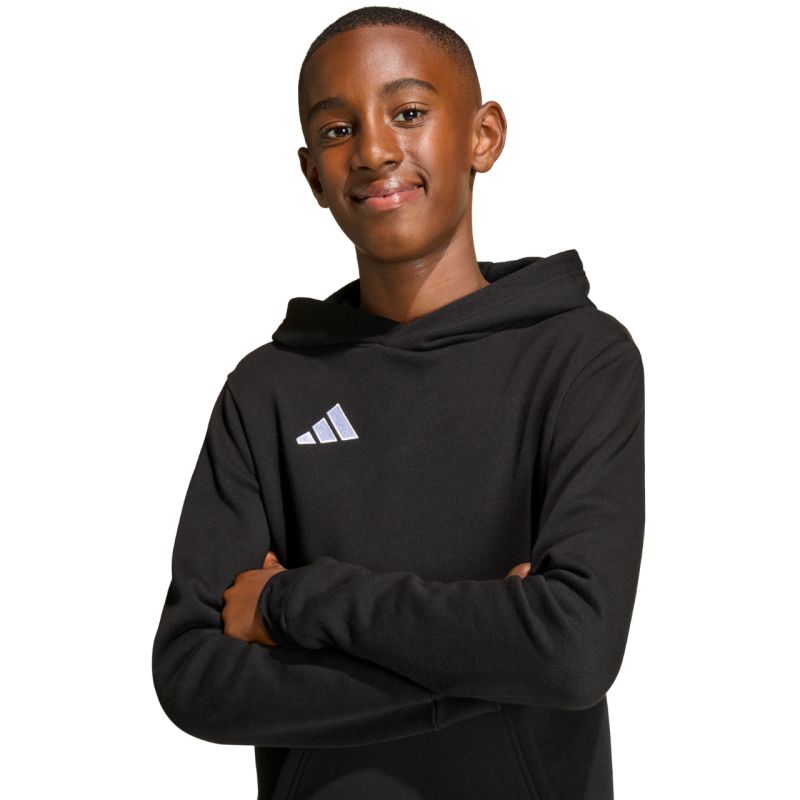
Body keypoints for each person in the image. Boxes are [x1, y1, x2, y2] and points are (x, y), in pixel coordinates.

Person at [151, 6, 646, 799]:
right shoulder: (268, 390)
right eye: (337, 129)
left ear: (484, 135)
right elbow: (194, 676)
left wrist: (290, 601)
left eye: (408, 113)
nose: (375, 150)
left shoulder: (580, 357)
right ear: (313, 174)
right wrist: (497, 661)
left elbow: (576, 651)